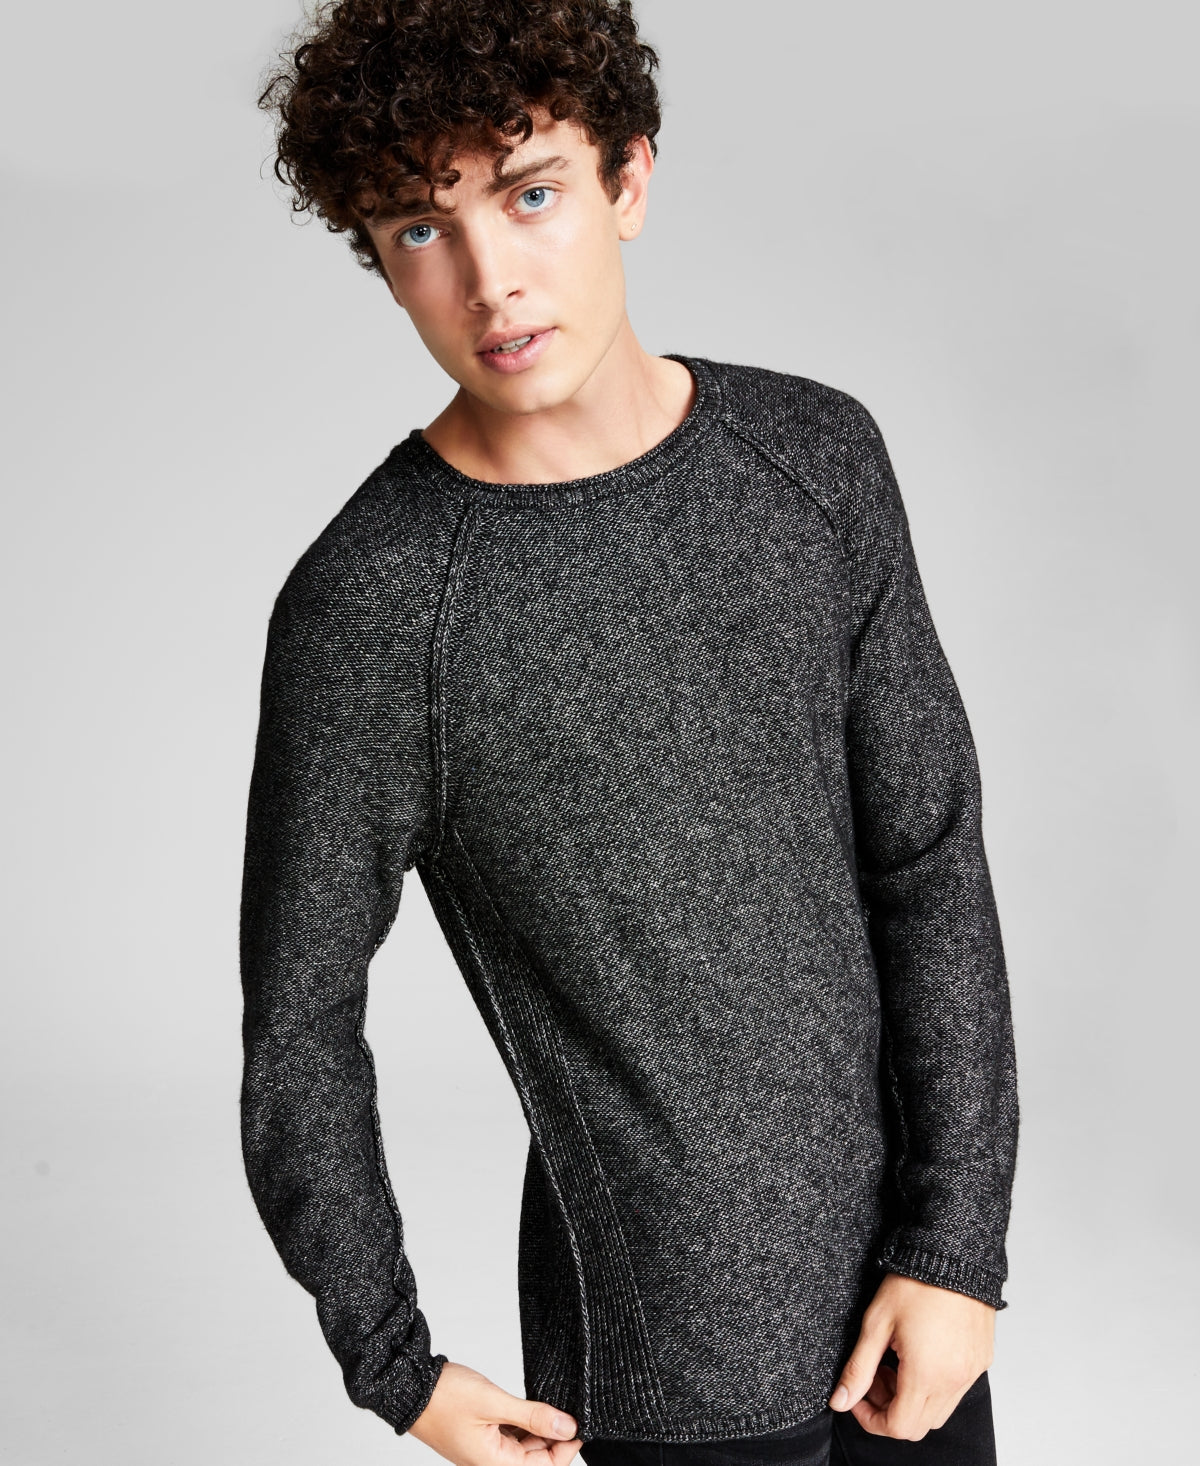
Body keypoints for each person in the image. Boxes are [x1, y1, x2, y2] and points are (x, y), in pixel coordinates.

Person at [239, 2, 1020, 1464]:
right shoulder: (374, 607)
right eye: (422, 228)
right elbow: (298, 1025)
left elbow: (927, 862)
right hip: (662, 1365)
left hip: (912, 1312)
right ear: (381, 259)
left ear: (629, 180)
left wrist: (960, 1244)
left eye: (530, 194)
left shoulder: (814, 463)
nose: (489, 279)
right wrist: (393, 1361)